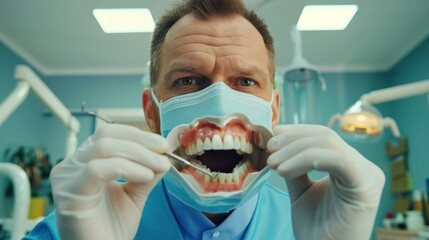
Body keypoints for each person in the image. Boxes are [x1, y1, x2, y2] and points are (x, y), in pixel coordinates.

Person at [24, 0, 385, 239]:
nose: (220, 107)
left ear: (273, 111)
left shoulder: (317, 222)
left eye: (245, 81)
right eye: (187, 80)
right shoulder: (84, 219)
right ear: (152, 112)